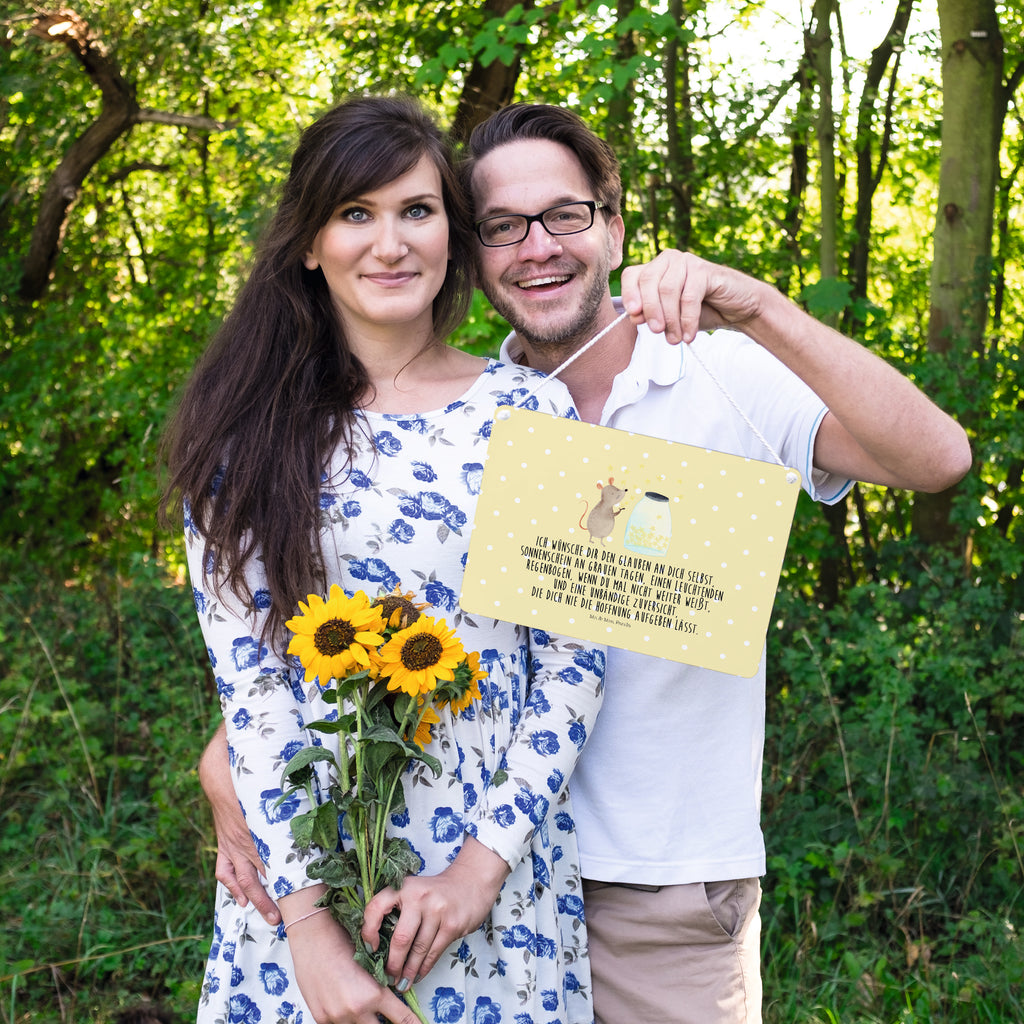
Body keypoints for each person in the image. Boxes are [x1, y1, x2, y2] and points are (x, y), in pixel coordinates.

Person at [202, 102, 972, 1024]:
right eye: (502, 226)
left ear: (612, 225)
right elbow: (330, 635)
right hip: (428, 875)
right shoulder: (457, 414)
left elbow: (938, 461)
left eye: (565, 215)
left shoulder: (709, 373)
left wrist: (759, 306)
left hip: (653, 886)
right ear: (474, 249)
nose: (537, 247)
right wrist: (234, 770)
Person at [163, 96, 609, 1024]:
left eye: (417, 210)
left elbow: (573, 664)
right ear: (308, 244)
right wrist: (311, 937)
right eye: (355, 214)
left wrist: (478, 873)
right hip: (303, 883)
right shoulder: (243, 438)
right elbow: (253, 691)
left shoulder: (534, 414)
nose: (391, 243)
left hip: (492, 885)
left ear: (452, 229)